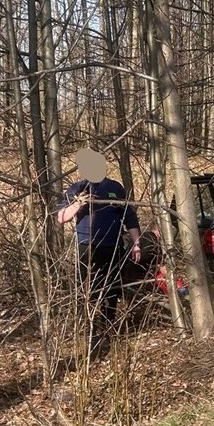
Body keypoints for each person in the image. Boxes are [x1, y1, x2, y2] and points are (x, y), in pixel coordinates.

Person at [56, 147, 142, 353]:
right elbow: (61, 217)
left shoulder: (115, 188)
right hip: (87, 247)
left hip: (113, 247)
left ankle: (108, 328)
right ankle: (91, 332)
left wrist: (136, 243)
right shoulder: (77, 188)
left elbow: (129, 217)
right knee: (89, 290)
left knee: (111, 289)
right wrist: (78, 204)